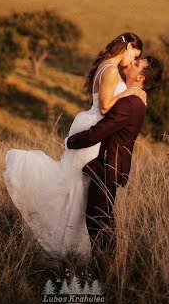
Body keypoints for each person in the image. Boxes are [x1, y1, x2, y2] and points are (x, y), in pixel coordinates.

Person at [3, 32, 143, 259]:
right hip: (94, 129)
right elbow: (106, 107)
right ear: (127, 48)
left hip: (91, 125)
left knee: (78, 187)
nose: (131, 62)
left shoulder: (106, 66)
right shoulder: (110, 70)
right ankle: (70, 246)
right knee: (78, 187)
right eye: (133, 56)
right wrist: (130, 92)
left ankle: (74, 244)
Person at [66, 56, 163, 261]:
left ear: (141, 77)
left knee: (97, 220)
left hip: (108, 167)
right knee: (103, 217)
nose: (132, 63)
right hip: (113, 165)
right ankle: (108, 263)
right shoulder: (135, 100)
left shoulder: (130, 103)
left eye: (137, 65)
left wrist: (71, 141)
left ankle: (105, 268)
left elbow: (99, 132)